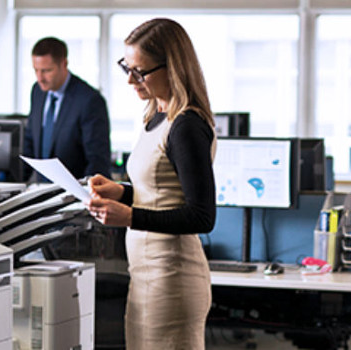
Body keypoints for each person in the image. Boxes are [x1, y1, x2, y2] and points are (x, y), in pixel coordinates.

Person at [86, 18, 217, 349]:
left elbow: (201, 216)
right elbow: (162, 194)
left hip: (173, 279)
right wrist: (122, 193)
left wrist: (129, 216)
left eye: (140, 71)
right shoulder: (155, 116)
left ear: (172, 67)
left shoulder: (186, 126)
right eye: (127, 68)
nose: (131, 80)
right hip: (146, 276)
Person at [22, 37, 112, 181]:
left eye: (46, 71)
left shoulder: (89, 100)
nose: (40, 78)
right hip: (41, 191)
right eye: (36, 70)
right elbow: (30, 140)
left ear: (64, 64)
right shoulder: (37, 92)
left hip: (75, 194)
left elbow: (97, 160)